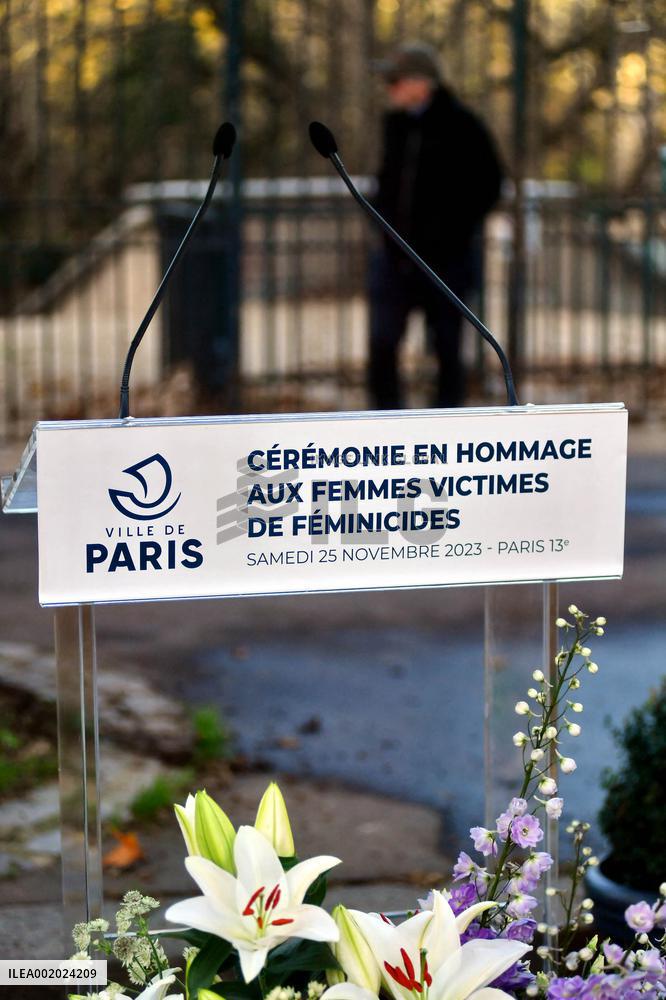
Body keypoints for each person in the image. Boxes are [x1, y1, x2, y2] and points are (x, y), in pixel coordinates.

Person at [369, 42, 504, 409]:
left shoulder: (462, 124)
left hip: (447, 260)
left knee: (446, 346)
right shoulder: (394, 125)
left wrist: (450, 231)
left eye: (395, 81)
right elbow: (388, 183)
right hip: (396, 259)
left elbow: (489, 184)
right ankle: (384, 426)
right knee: (382, 343)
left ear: (421, 82)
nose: (390, 89)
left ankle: (447, 429)